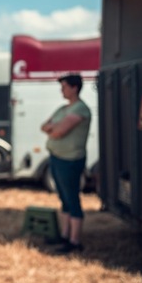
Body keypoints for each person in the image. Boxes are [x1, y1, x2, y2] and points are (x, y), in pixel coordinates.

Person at [41, 73, 91, 254]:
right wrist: (54, 127)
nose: (62, 90)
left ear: (74, 88)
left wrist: (54, 127)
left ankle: (74, 242)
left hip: (70, 160)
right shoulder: (64, 109)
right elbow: (44, 126)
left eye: (64, 87)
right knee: (64, 199)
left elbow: (58, 132)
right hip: (57, 158)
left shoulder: (80, 109)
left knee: (72, 199)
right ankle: (65, 236)